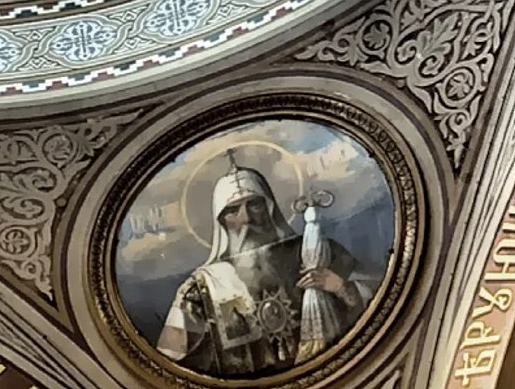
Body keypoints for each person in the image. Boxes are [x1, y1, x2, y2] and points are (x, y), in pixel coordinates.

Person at [152, 157, 374, 377]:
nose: (246, 218)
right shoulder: (202, 288)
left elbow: (381, 298)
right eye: (233, 210)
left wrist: (339, 286)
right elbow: (166, 365)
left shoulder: (315, 251)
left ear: (269, 207)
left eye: (254, 204)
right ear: (221, 221)